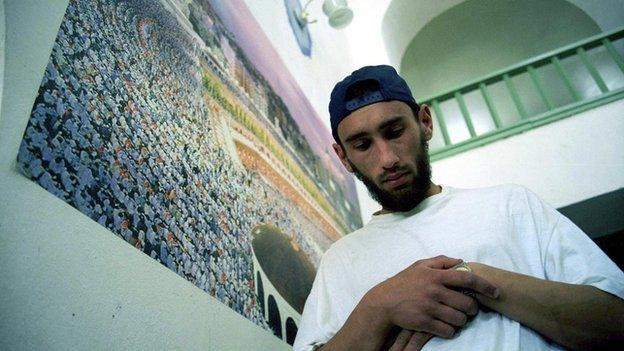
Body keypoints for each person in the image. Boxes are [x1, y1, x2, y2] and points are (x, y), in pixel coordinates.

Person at [293, 65, 624, 351]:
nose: (388, 159)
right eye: (362, 145)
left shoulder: (511, 205)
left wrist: (475, 279)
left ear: (424, 122)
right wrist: (379, 306)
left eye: (395, 132)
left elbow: (615, 323)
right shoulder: (340, 259)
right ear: (343, 157)